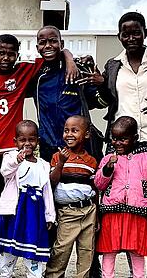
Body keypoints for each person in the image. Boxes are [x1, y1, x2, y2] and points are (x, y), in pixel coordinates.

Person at [0, 34, 78, 277]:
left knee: (18, 207)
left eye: (11, 53)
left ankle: (27, 256)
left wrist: (69, 58)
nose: (5, 57)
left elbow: (53, 54)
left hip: (14, 154)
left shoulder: (23, 72)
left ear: (17, 55)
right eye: (1, 52)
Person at [89, 12, 147, 277]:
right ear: (119, 36)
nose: (131, 38)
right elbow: (107, 101)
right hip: (119, 142)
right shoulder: (112, 65)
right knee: (114, 208)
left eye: (136, 32)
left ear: (145, 32)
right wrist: (100, 85)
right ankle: (106, 268)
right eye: (125, 33)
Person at [94, 117, 147, 278]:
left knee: (137, 251)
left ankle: (138, 276)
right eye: (114, 139)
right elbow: (99, 184)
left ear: (135, 138)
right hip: (111, 214)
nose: (118, 143)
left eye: (123, 139)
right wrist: (107, 169)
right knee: (109, 250)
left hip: (138, 215)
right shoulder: (108, 159)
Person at [0, 120, 55, 278]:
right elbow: (5, 172)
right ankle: (4, 273)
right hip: (15, 211)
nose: (27, 144)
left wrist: (49, 215)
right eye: (22, 140)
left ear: (37, 141)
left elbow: (47, 191)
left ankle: (34, 274)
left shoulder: (43, 165)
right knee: (9, 246)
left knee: (33, 246)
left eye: (31, 139)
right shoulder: (10, 157)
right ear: (15, 141)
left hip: (34, 213)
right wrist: (18, 160)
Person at [32, 26, 104, 162]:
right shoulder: (35, 74)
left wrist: (102, 85)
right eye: (42, 42)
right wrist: (68, 55)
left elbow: (100, 103)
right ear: (37, 48)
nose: (48, 46)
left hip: (81, 147)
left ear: (61, 44)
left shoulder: (79, 69)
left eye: (53, 41)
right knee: (51, 183)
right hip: (49, 146)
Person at [46, 115, 99, 278]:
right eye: (66, 130)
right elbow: (52, 183)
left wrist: (97, 216)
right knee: (61, 249)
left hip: (89, 211)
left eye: (75, 131)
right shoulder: (58, 156)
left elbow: (95, 188)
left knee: (86, 251)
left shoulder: (91, 161)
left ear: (87, 134)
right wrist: (61, 163)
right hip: (67, 213)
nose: (69, 134)